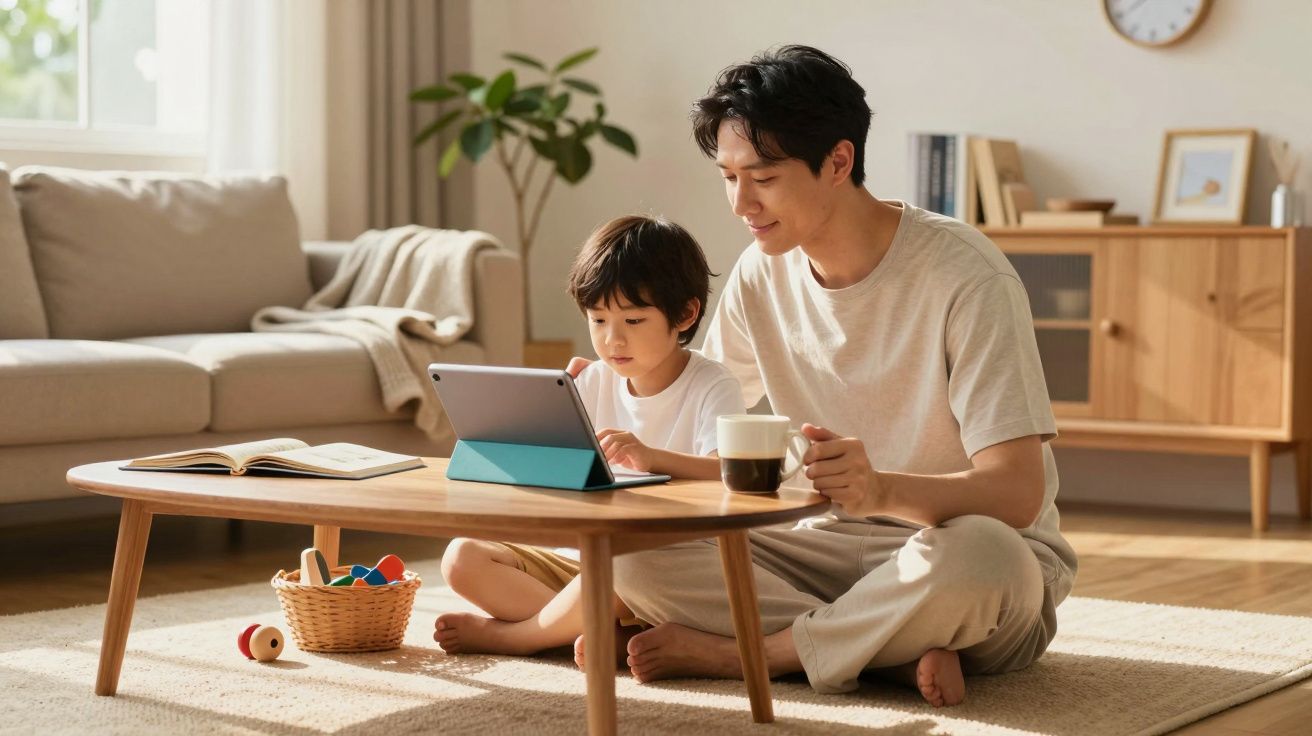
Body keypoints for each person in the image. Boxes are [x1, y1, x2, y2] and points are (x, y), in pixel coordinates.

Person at [573, 45, 1078, 708]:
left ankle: (756, 654)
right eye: (728, 177)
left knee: (985, 557)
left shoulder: (966, 278)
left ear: (838, 162)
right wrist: (621, 378)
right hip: (811, 552)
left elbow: (1015, 495)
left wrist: (880, 490)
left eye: (763, 177)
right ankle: (883, 654)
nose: (740, 203)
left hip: (955, 558)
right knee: (632, 554)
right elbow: (703, 406)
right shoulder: (761, 274)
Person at [434, 214, 746, 657]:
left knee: (625, 567)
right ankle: (608, 637)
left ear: (685, 313)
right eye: (598, 320)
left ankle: (516, 638)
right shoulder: (593, 380)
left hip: (655, 567)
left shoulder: (711, 383)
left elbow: (731, 473)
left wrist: (653, 458)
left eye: (634, 322)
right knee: (461, 558)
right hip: (585, 560)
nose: (613, 340)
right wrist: (544, 420)